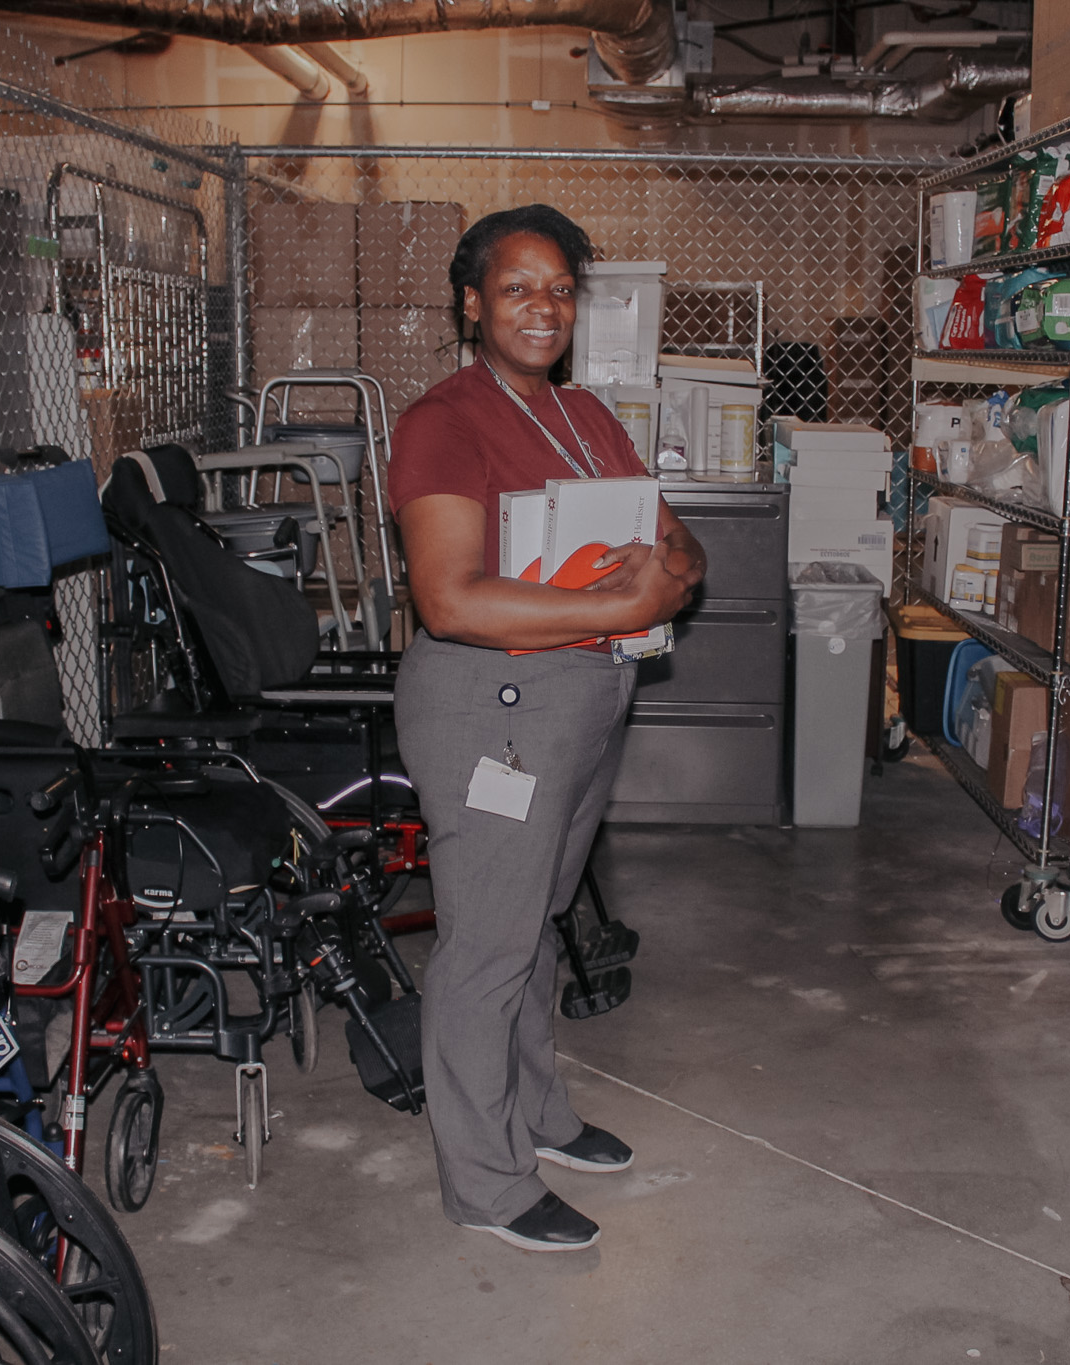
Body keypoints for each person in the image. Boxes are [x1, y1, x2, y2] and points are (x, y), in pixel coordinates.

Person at [387, 205, 707, 1252]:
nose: (542, 307)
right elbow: (450, 599)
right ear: (471, 303)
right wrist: (628, 600)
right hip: (494, 711)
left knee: (534, 925)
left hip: (583, 701)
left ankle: (534, 1114)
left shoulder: (587, 416)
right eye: (517, 287)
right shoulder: (443, 422)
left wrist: (669, 577)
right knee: (486, 946)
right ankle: (485, 1182)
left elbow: (679, 545)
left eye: (560, 289)